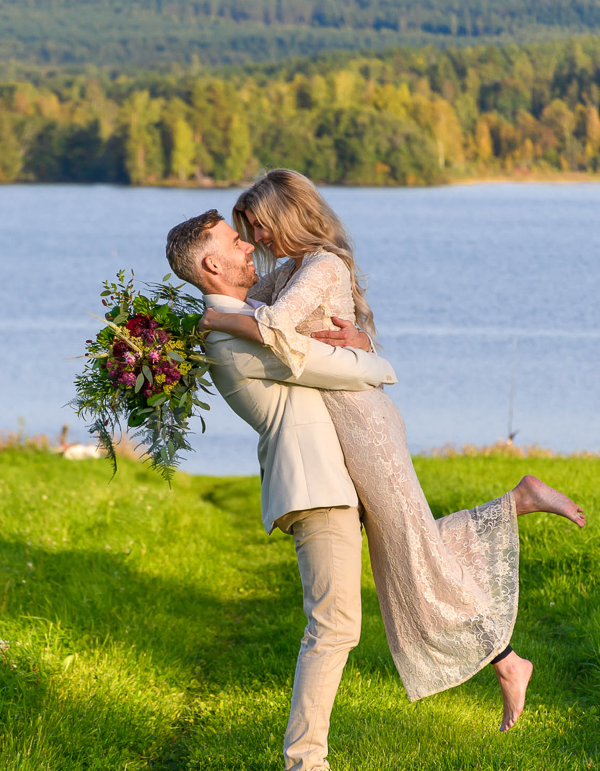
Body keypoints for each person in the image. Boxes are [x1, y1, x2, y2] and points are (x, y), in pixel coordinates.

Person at [200, 169, 586, 737]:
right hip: (343, 417)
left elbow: (276, 327)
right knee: (407, 548)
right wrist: (194, 316)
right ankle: (507, 654)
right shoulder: (290, 270)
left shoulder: (323, 265)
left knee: (409, 548)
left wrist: (214, 318)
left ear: (286, 217)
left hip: (364, 423)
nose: (255, 241)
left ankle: (514, 546)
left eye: (257, 227)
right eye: (246, 233)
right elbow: (240, 302)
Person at [165, 209, 397, 771]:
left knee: (342, 617)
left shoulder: (249, 318)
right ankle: (304, 768)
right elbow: (332, 366)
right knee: (334, 626)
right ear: (211, 263)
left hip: (327, 479)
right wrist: (373, 356)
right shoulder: (230, 330)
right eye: (235, 242)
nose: (249, 249)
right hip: (312, 484)